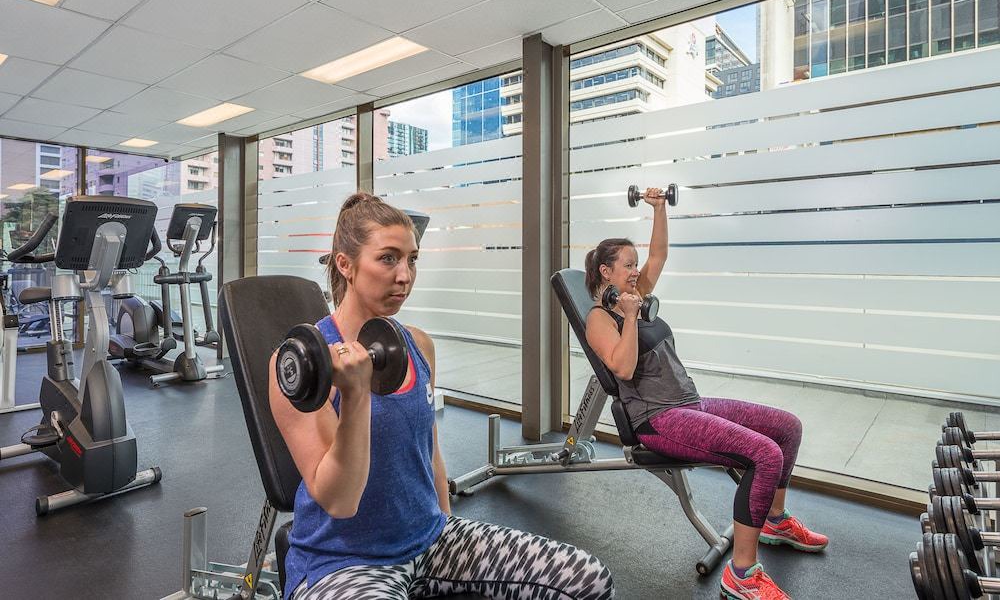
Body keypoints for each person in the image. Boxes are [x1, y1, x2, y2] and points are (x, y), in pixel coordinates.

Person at [271, 193, 615, 600]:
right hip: (343, 562)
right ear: (345, 264)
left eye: (412, 259)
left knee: (587, 579)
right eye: (388, 258)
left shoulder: (417, 345)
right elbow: (341, 501)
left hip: (431, 540)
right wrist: (356, 393)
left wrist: (448, 529)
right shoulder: (302, 365)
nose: (405, 275)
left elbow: (430, 452)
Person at [583, 188, 828, 600]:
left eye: (633, 265)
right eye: (627, 265)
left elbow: (659, 255)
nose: (635, 270)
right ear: (605, 272)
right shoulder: (599, 319)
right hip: (659, 420)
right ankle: (742, 576)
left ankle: (774, 520)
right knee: (765, 454)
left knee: (787, 428)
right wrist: (627, 316)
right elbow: (623, 368)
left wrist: (659, 208)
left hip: (690, 404)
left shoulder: (635, 296)